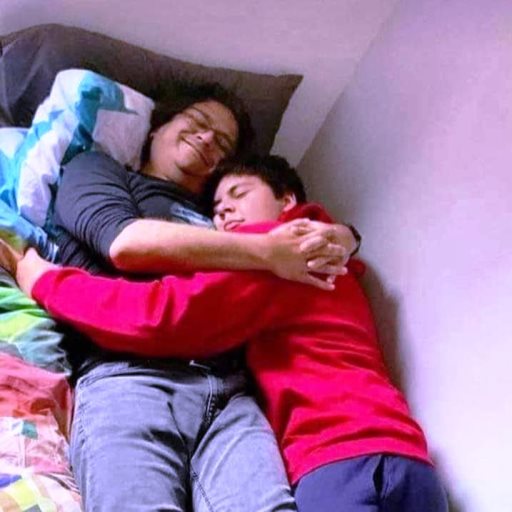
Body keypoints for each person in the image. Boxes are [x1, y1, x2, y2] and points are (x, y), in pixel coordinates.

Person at [1, 155, 448, 512]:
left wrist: (42, 278)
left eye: (239, 194)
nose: (225, 211)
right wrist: (346, 235)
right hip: (409, 455)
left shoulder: (286, 257)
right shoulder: (334, 259)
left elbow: (159, 315)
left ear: (287, 200)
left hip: (336, 458)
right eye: (215, 209)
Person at [6, 81, 358, 512]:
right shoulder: (98, 168)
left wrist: (346, 235)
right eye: (198, 122)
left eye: (222, 143)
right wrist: (265, 251)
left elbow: (305, 235)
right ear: (156, 128)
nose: (208, 139)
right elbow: (124, 243)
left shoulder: (225, 218)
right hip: (128, 376)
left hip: (231, 393)